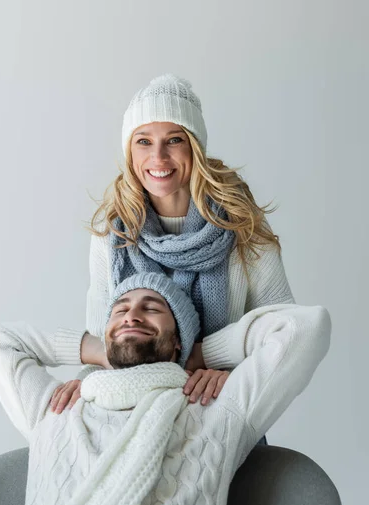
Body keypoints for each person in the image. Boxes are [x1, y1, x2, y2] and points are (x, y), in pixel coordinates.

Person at [0, 273, 331, 505]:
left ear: (178, 340)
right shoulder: (57, 408)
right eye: (120, 310)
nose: (131, 315)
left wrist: (205, 353)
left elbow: (306, 328)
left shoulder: (215, 412)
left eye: (152, 308)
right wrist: (102, 349)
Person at [51, 73, 295, 419]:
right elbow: (106, 337)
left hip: (220, 409)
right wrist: (88, 380)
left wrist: (231, 374)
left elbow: (284, 330)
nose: (159, 157)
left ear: (195, 146)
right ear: (129, 151)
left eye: (174, 140)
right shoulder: (113, 232)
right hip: (132, 414)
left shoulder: (242, 225)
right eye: (144, 142)